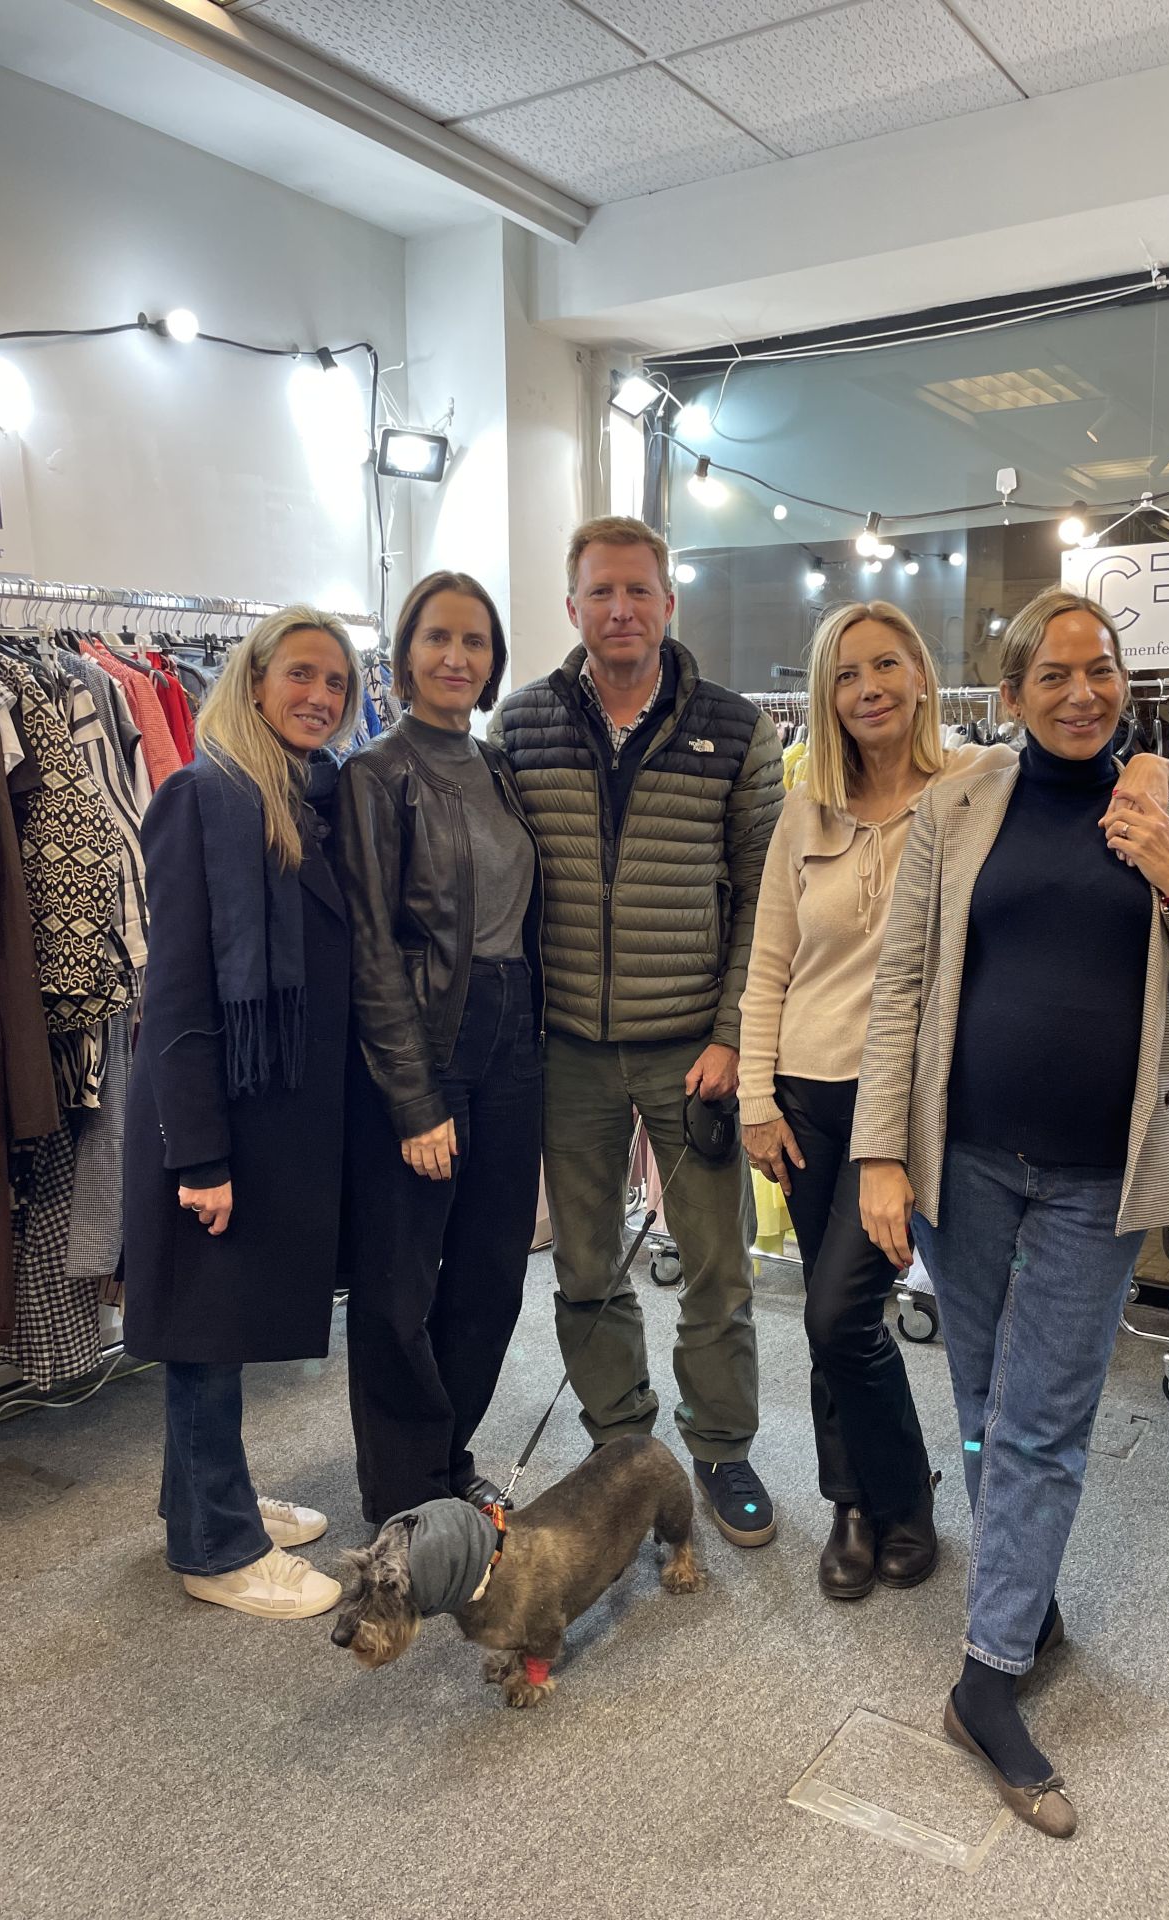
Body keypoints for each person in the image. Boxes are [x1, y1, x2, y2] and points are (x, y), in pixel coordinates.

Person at [852, 587, 1169, 1836]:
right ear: (1011, 696)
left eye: (1102, 669)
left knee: (1043, 1422)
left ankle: (989, 1678)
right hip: (962, 1158)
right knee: (980, 1403)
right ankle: (1023, 1595)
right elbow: (902, 984)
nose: (1084, 692)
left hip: (1096, 1177)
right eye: (1055, 675)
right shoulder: (960, 807)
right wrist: (879, 1158)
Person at [738, 600, 1169, 1602]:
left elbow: (1088, 768)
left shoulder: (976, 785)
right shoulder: (803, 811)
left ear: (927, 679)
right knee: (825, 1311)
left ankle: (905, 1492)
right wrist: (757, 1096)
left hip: (912, 1103)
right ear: (827, 695)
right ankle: (856, 1502)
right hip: (808, 1093)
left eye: (888, 665)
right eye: (848, 675)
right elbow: (766, 966)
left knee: (842, 1311)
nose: (870, 689)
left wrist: (1153, 767)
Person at [490, 516, 783, 1547]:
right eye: (599, 592)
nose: (620, 609)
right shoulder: (520, 728)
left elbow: (766, 897)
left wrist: (732, 1032)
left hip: (692, 1049)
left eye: (638, 591)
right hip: (566, 1046)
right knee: (586, 1267)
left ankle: (721, 1448)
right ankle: (622, 1444)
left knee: (717, 1266)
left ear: (669, 604)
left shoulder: (739, 730)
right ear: (572, 608)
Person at [122, 607, 362, 1620]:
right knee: (206, 1325)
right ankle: (216, 1549)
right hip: (212, 1113)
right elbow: (174, 993)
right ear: (255, 679)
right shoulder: (202, 796)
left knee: (220, 1322)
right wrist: (200, 1154)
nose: (320, 697)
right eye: (301, 675)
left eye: (338, 685)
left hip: (275, 1114)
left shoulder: (310, 796)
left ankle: (202, 1496)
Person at [336, 570, 544, 1527]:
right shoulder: (376, 773)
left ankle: (448, 1452)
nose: (458, 658)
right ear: (405, 654)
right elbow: (374, 946)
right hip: (424, 1038)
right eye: (438, 639)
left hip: (513, 1037)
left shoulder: (496, 765)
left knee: (495, 1270)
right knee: (400, 1283)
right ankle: (403, 1490)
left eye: (476, 642)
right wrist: (415, 1100)